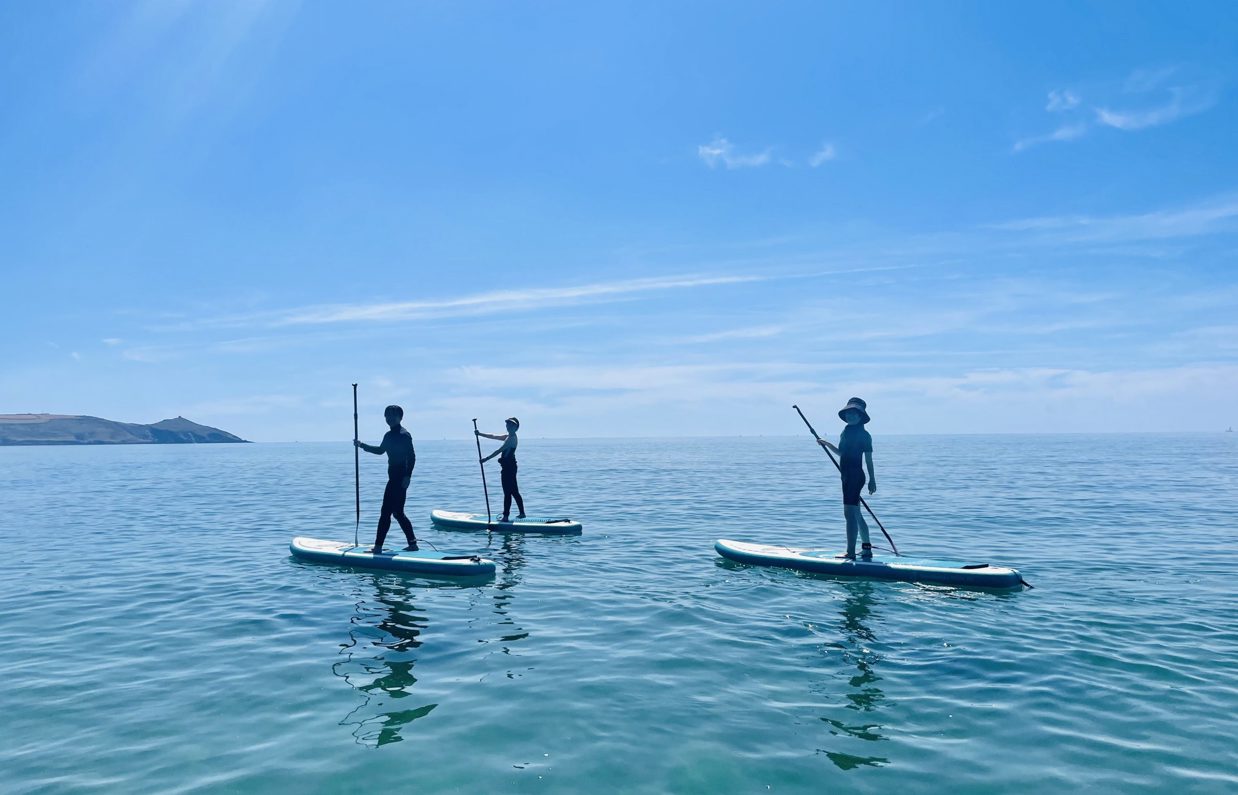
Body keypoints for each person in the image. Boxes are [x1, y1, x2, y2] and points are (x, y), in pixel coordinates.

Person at [818, 397, 876, 560]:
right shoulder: (845, 432)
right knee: (856, 514)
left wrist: (872, 480)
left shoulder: (864, 435)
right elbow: (843, 454)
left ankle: (850, 552)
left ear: (860, 417)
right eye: (848, 413)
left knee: (849, 514)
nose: (850, 416)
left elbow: (869, 459)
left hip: (855, 477)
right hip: (847, 477)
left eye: (854, 414)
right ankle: (866, 549)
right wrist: (827, 444)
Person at [355, 405, 418, 553]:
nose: (390, 418)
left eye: (393, 416)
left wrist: (408, 476)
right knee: (398, 513)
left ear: (400, 417)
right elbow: (380, 451)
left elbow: (412, 457)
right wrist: (362, 445)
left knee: (385, 513)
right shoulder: (388, 435)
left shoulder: (404, 435)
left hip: (399, 479)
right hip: (394, 478)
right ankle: (413, 544)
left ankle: (378, 547)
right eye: (387, 416)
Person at [477, 417, 525, 522]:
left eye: (511, 425)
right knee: (514, 491)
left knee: (508, 492)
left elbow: (499, 450)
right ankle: (522, 513)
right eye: (508, 425)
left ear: (516, 428)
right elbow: (494, 436)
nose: (509, 426)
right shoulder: (508, 436)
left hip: (509, 468)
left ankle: (506, 516)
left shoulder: (511, 439)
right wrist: (480, 434)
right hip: (509, 467)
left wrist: (486, 459)